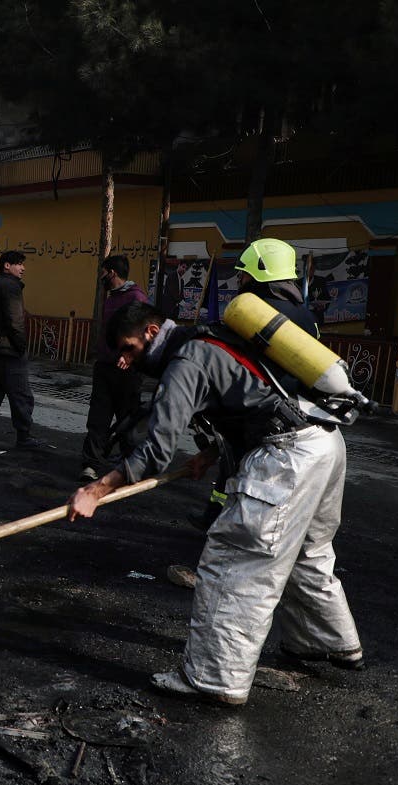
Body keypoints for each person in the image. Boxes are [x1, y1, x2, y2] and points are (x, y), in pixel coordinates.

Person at [66, 297, 364, 706]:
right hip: (323, 442)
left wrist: (96, 490)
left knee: (236, 559)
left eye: (129, 348)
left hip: (289, 457)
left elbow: (156, 450)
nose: (127, 360)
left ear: (151, 332)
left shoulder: (185, 359)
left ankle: (214, 678)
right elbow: (251, 399)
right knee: (308, 552)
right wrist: (208, 456)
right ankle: (327, 640)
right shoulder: (207, 339)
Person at [192, 238, 320, 530]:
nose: (241, 278)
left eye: (245, 272)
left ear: (260, 272)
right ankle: (218, 518)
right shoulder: (306, 316)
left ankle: (221, 526)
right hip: (301, 416)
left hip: (258, 413)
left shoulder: (254, 313)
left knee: (239, 472)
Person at [79, 255, 149, 481]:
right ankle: (90, 464)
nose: (100, 277)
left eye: (102, 272)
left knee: (127, 420)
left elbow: (145, 332)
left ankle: (132, 466)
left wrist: (129, 355)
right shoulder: (111, 298)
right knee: (98, 417)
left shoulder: (136, 297)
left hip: (127, 371)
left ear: (111, 273)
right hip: (105, 368)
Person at [0, 250, 43, 451]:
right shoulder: (11, 287)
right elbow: (16, 321)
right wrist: (21, 347)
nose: (23, 268)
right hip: (10, 351)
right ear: (7, 265)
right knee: (22, 396)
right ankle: (24, 436)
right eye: (19, 264)